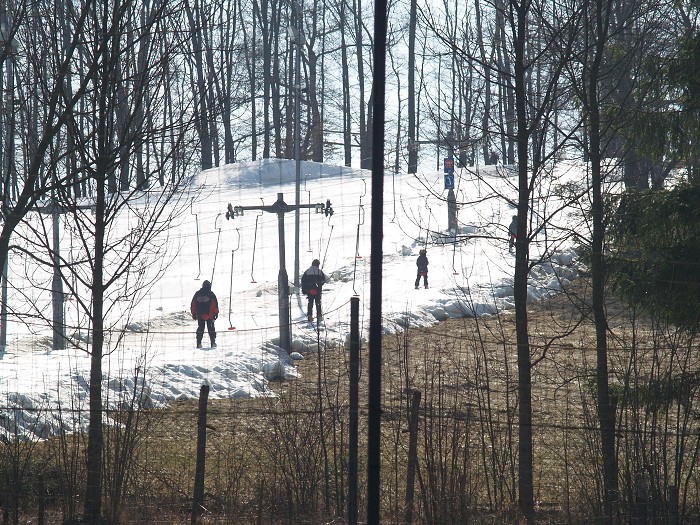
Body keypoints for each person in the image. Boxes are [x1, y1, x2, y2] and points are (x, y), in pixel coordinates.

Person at [191, 280, 219, 348]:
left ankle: (199, 343)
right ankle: (213, 342)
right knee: (211, 329)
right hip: (210, 315)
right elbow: (214, 304)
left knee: (200, 328)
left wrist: (194, 313)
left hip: (200, 315)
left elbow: (193, 304)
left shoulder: (197, 294)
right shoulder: (211, 294)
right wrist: (216, 313)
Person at [301, 259, 327, 324]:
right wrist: (319, 285)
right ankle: (319, 315)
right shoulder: (319, 272)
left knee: (310, 303)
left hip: (309, 290)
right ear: (318, 265)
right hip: (317, 290)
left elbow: (303, 281)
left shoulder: (307, 271)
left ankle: (309, 316)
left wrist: (304, 290)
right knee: (318, 303)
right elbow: (323, 280)